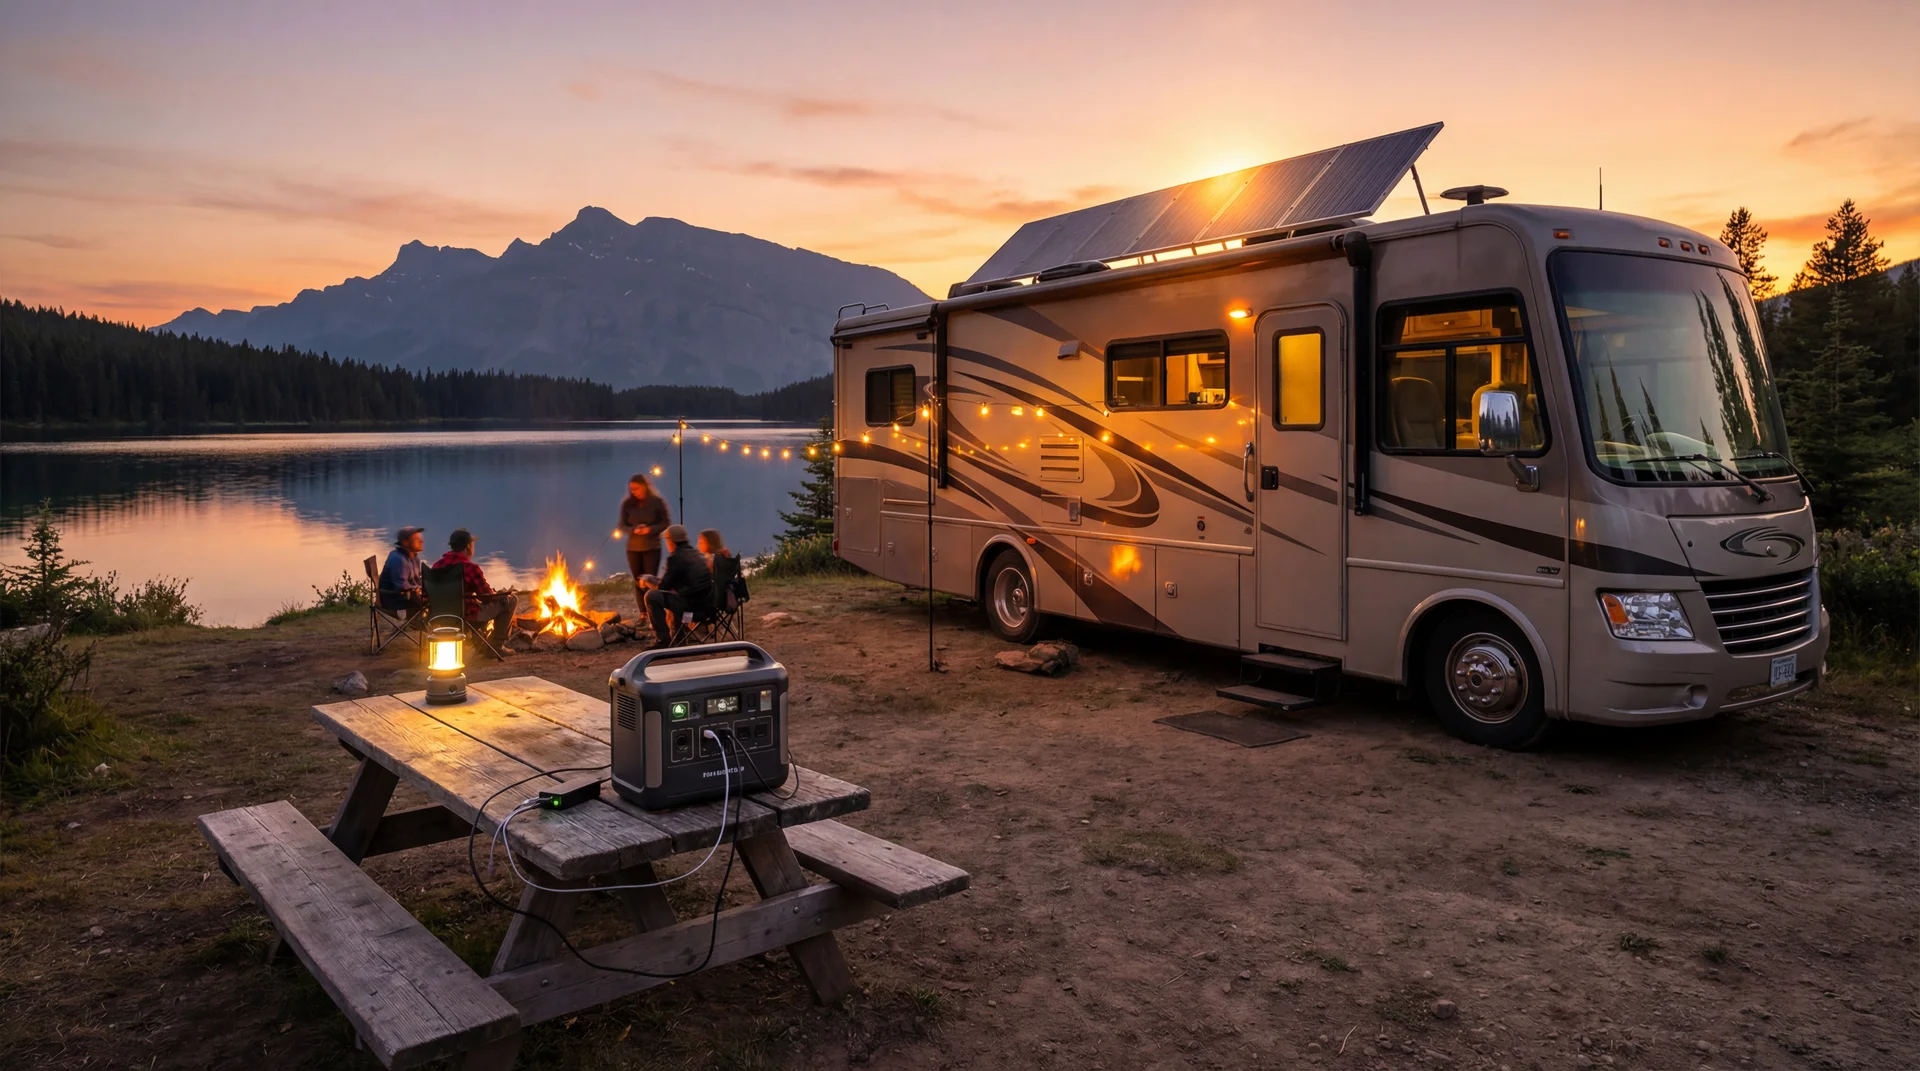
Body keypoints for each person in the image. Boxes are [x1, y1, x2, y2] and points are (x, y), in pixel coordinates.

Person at [432, 528, 516, 653]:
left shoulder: (436, 566)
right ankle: (496, 646)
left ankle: (480, 644)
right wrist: (500, 594)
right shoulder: (470, 568)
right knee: (511, 600)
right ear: (468, 546)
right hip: (467, 616)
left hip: (439, 616)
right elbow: (486, 598)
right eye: (472, 544)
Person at [643, 525, 712, 646]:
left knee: (652, 596)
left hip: (690, 608)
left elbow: (662, 588)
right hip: (706, 606)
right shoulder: (697, 554)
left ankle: (662, 640)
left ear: (671, 541)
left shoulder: (676, 558)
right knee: (675, 596)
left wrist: (647, 580)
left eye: (667, 540)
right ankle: (678, 639)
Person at [618, 474, 672, 614]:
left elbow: (665, 523)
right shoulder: (627, 504)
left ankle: (652, 612)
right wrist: (633, 530)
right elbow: (622, 525)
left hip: (652, 547)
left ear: (645, 486)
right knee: (638, 581)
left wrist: (650, 529)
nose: (634, 491)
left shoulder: (657, 502)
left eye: (637, 488)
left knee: (649, 580)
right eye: (632, 489)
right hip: (633, 548)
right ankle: (643, 613)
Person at [377, 526, 427, 613]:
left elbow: (417, 581)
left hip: (409, 597)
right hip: (395, 601)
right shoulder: (398, 559)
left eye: (421, 538)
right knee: (436, 601)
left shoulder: (414, 558)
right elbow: (402, 586)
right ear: (405, 543)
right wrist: (419, 590)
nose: (421, 541)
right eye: (416, 539)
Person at [697, 528, 749, 610]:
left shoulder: (712, 560)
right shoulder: (723, 558)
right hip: (724, 596)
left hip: (711, 598)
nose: (698, 543)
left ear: (710, 542)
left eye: (701, 541)